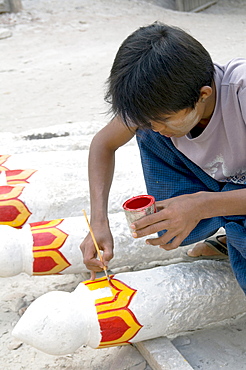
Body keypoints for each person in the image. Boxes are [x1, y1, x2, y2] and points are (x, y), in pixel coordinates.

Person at [80, 22, 246, 293]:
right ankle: (231, 223)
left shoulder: (241, 91)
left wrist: (201, 205)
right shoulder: (160, 105)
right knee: (147, 132)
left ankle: (235, 227)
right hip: (229, 182)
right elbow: (103, 144)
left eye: (164, 119)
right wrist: (99, 222)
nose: (158, 128)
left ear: (203, 95)